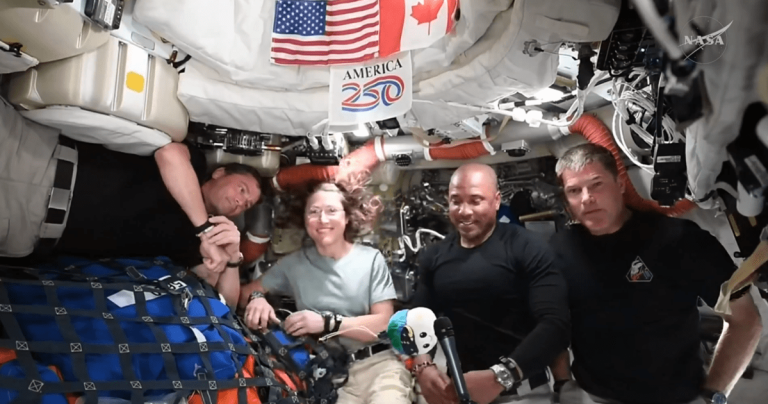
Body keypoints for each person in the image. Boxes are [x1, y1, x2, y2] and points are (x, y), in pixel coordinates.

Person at [549, 143, 763, 404]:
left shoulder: (681, 240)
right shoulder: (556, 251)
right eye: (574, 190)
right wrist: (562, 382)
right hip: (594, 397)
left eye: (596, 184)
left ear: (620, 184)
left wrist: (712, 396)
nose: (586, 198)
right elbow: (552, 323)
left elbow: (745, 319)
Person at [0, 99, 261, 305]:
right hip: (38, 155)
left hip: (28, 223)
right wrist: (203, 228)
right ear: (220, 172)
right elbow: (169, 155)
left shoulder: (196, 246)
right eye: (242, 189)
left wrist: (232, 257)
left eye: (246, 204)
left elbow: (224, 304)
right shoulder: (195, 164)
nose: (240, 201)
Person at [239, 176, 413, 404]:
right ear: (304, 219)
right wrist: (257, 297)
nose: (322, 219)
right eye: (314, 212)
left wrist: (327, 323)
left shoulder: (371, 259)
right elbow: (244, 294)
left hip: (378, 367)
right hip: (330, 376)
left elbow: (383, 324)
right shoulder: (293, 265)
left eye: (331, 210)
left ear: (347, 217)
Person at [410, 163, 571, 404]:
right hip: (458, 393)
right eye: (456, 201)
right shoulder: (434, 256)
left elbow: (555, 325)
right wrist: (422, 364)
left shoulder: (528, 247)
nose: (464, 211)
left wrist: (502, 375)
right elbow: (417, 319)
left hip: (521, 393)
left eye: (475, 201)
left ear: (496, 201)